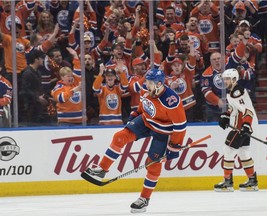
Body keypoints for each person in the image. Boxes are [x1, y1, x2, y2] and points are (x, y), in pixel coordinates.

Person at [83, 68, 187, 213]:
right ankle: (102, 169)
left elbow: (180, 126)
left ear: (158, 84)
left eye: (149, 82)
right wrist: (135, 114)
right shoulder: (146, 89)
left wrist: (175, 146)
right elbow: (143, 105)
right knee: (119, 137)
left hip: (163, 132)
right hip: (146, 121)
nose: (146, 85)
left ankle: (144, 198)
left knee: (152, 165)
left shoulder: (171, 100)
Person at [214, 68, 258, 192]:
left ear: (234, 79)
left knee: (228, 150)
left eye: (227, 79)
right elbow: (236, 108)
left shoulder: (237, 92)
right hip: (244, 126)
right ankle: (252, 181)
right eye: (225, 79)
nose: (225, 81)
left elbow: (247, 110)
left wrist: (246, 126)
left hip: (240, 127)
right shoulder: (234, 90)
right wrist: (226, 116)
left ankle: (227, 182)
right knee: (244, 152)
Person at [50, 47, 82, 126]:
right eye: (68, 76)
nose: (71, 78)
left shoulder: (75, 82)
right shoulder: (57, 88)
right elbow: (61, 98)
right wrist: (74, 90)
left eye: (71, 76)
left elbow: (78, 69)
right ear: (62, 77)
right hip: (65, 121)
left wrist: (75, 56)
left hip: (80, 120)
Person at [19, 49, 50, 126]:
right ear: (36, 59)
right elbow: (24, 91)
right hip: (29, 108)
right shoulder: (27, 73)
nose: (43, 60)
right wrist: (37, 97)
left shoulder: (37, 72)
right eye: (41, 58)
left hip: (37, 106)